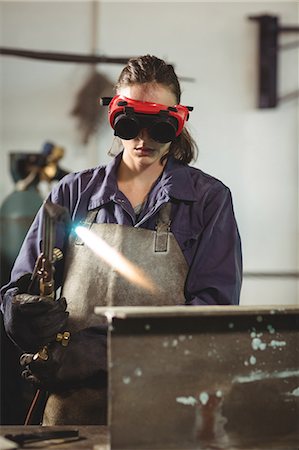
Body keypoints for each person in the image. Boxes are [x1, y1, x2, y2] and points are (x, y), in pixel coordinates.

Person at [0, 55, 242, 425]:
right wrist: (20, 314)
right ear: (115, 117)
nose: (143, 138)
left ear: (177, 122)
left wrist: (96, 354)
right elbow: (22, 286)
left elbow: (211, 317)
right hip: (72, 411)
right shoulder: (72, 192)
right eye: (131, 124)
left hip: (166, 408)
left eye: (158, 126)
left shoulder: (208, 200)